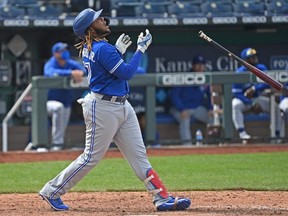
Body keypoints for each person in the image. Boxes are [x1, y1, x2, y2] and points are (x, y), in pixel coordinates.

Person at [38, 8, 191, 212]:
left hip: (121, 105)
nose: (103, 19)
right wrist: (140, 50)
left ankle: (161, 197)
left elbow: (107, 73)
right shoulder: (102, 49)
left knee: (139, 156)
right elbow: (126, 73)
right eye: (98, 19)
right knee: (91, 156)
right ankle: (52, 191)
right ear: (90, 27)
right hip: (103, 107)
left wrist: (117, 52)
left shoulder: (93, 47)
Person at [232, 47, 282, 140]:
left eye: (255, 56)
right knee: (235, 105)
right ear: (245, 60)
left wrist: (255, 88)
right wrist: (251, 104)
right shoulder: (239, 72)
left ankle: (277, 135)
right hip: (245, 100)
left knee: (275, 108)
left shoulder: (261, 68)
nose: (255, 58)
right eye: (251, 57)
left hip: (258, 98)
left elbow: (268, 84)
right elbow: (236, 93)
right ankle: (242, 134)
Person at [44, 42, 86, 151]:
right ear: (55, 53)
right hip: (47, 102)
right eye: (62, 51)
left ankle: (58, 147)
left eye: (65, 50)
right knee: (59, 108)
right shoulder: (51, 63)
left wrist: (79, 73)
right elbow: (51, 73)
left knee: (63, 117)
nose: (65, 53)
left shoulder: (70, 63)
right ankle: (56, 144)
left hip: (65, 101)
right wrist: (71, 73)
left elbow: (84, 70)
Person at [170, 55, 213, 146]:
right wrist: (182, 109)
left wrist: (211, 108)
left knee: (213, 117)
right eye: (198, 65)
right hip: (179, 109)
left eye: (202, 65)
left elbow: (210, 95)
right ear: (193, 66)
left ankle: (214, 144)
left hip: (196, 108)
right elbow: (174, 96)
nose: (200, 67)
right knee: (185, 118)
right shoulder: (183, 77)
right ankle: (187, 146)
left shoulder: (205, 79)